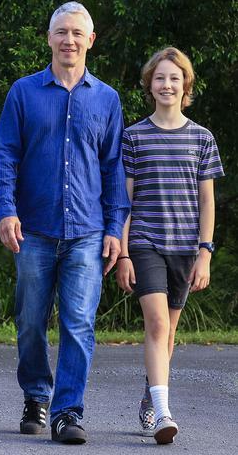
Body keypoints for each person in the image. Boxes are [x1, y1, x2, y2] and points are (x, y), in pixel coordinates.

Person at [0, 1, 130, 444]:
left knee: (78, 324)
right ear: (49, 38)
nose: (69, 40)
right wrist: (6, 209)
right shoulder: (24, 92)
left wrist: (114, 229)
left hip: (88, 232)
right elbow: (5, 155)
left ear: (90, 40)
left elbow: (114, 169)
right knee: (30, 320)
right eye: (61, 32)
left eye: (77, 33)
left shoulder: (107, 99)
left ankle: (68, 411)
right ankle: (36, 396)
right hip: (33, 228)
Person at [115, 47, 223, 444]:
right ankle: (163, 412)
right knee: (157, 324)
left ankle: (149, 395)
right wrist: (124, 252)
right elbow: (123, 201)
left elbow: (207, 200)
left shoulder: (201, 138)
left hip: (185, 248)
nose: (166, 84)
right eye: (159, 78)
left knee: (169, 332)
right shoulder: (133, 137)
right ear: (150, 85)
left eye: (174, 78)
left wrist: (205, 252)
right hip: (145, 242)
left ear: (185, 85)